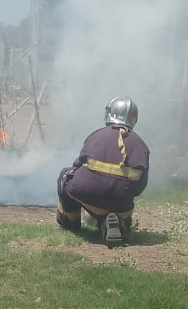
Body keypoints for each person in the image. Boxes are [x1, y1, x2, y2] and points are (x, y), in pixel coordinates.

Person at [56, 96, 150, 247]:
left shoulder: (96, 135)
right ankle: (116, 223)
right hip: (121, 204)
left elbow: (76, 167)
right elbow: (140, 187)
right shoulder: (141, 145)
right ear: (134, 119)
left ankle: (71, 222)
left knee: (65, 175)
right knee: (116, 204)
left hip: (90, 197)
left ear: (110, 113)